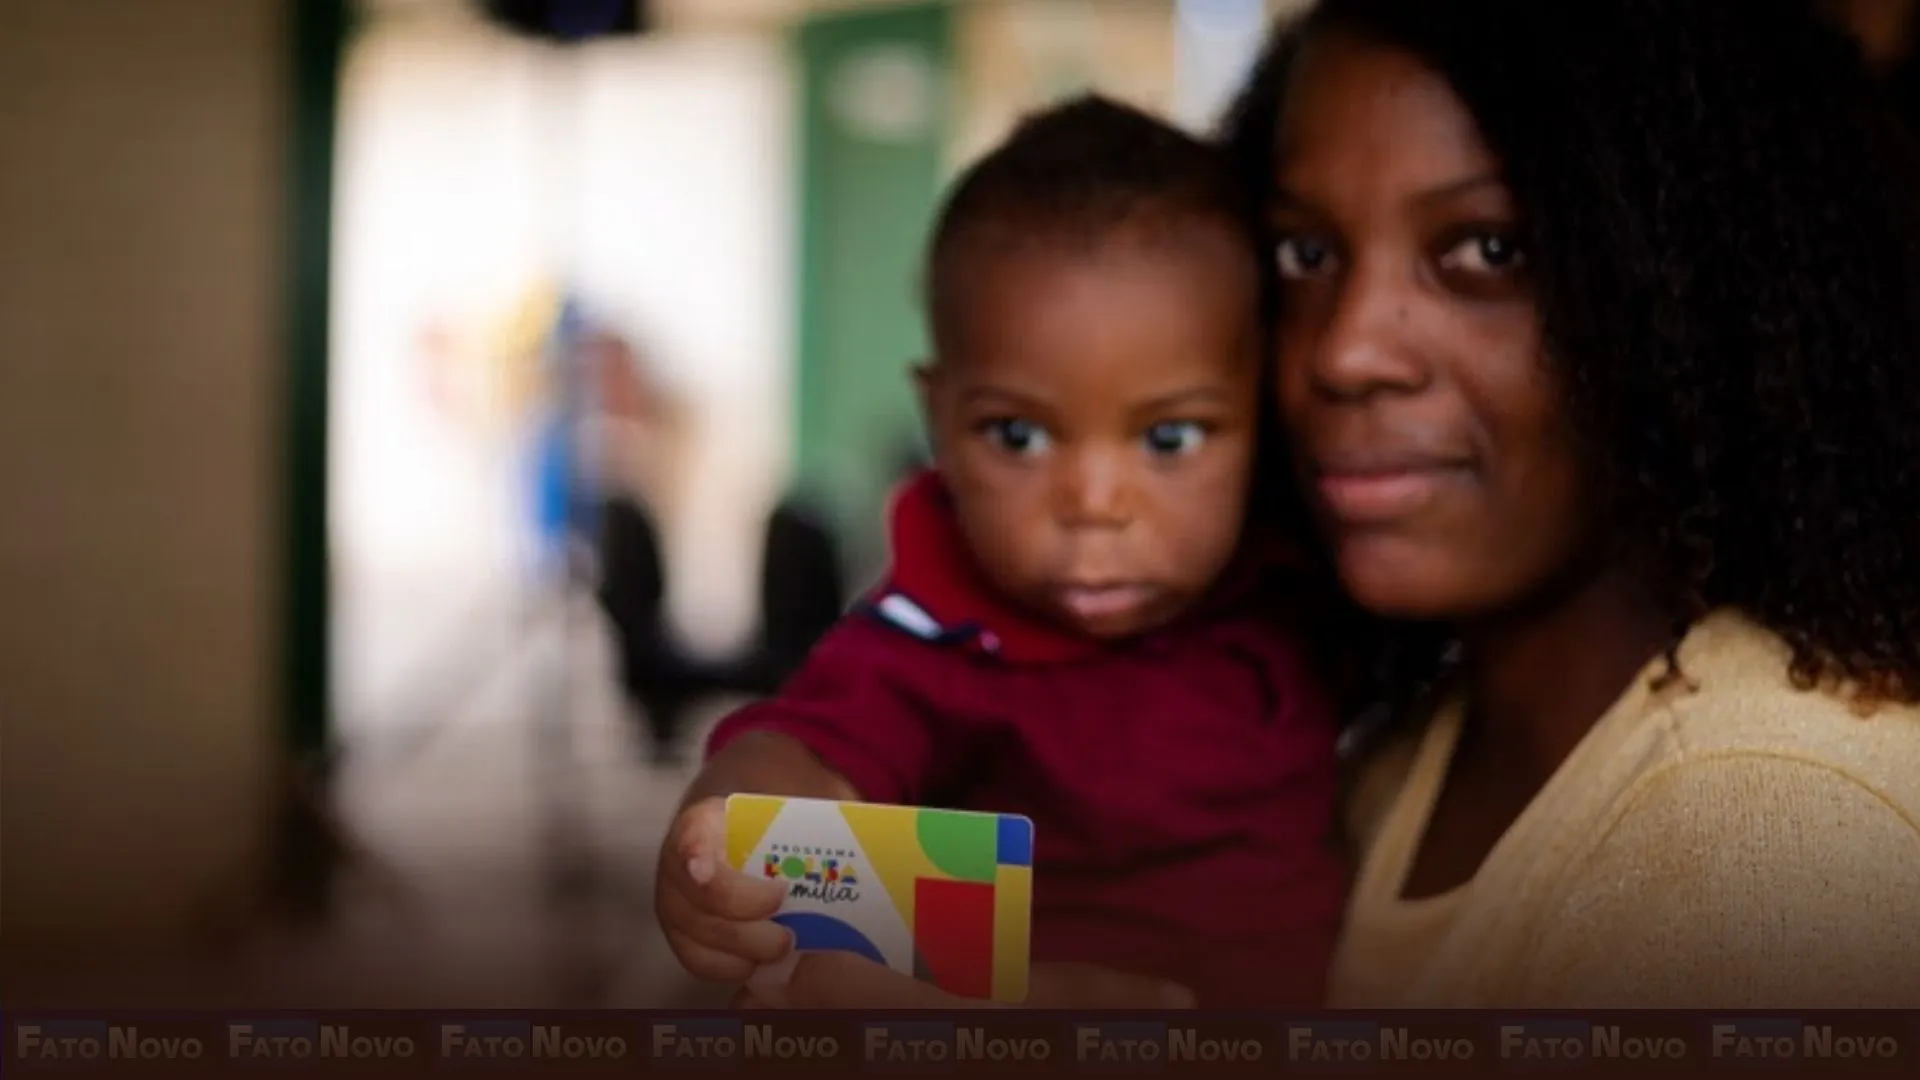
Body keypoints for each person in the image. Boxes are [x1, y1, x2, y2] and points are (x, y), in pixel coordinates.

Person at [739, 0, 1920, 1010]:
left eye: (1487, 249)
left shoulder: (1773, 818)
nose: (1346, 350)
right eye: (1305, 256)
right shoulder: (1385, 736)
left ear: (1686, 284)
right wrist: (821, 901)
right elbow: (1076, 907)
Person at [653, 96, 1347, 1008]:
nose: (1094, 504)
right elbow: (809, 753)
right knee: (824, 959)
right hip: (1017, 999)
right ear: (939, 418)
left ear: (1263, 415)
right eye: (1017, 435)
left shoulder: (1303, 580)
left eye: (1171, 438)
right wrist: (723, 837)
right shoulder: (939, 630)